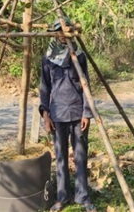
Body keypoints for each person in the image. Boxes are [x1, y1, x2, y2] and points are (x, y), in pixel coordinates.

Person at [39, 17, 96, 212]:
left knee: (80, 155)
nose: (63, 36)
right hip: (56, 114)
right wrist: (45, 115)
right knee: (61, 156)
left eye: (66, 32)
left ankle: (83, 196)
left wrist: (86, 113)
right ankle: (62, 197)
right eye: (59, 32)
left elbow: (86, 85)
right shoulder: (47, 58)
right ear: (55, 33)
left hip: (77, 111)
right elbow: (44, 88)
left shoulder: (78, 56)